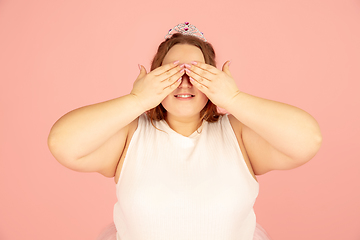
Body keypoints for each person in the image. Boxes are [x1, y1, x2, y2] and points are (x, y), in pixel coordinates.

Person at [47, 22, 322, 240]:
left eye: (198, 74)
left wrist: (234, 99)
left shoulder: (238, 135)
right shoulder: (131, 135)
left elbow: (307, 140)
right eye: (172, 74)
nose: (184, 84)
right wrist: (137, 100)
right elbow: (62, 143)